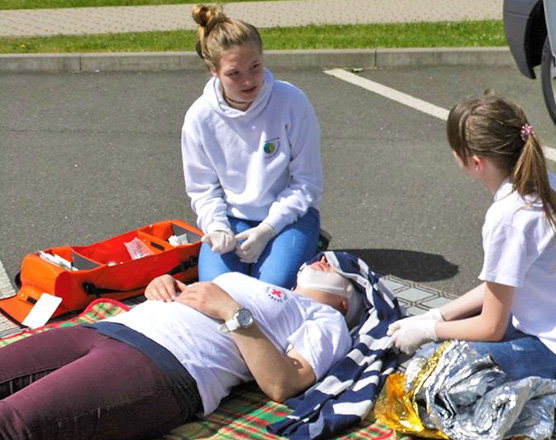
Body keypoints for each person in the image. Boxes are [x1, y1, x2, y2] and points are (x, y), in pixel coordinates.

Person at [388, 92, 556, 394]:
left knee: (428, 369)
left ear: (475, 162)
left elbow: (491, 327)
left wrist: (429, 331)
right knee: (456, 335)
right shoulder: (545, 181)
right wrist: (439, 315)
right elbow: (502, 283)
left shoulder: (508, 216)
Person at [0, 255, 356, 440]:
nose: (326, 260)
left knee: (12, 424)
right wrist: (166, 286)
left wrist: (233, 312)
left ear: (347, 301)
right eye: (326, 257)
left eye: (344, 269)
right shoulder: (258, 284)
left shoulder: (327, 319)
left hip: (164, 363)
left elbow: (284, 384)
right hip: (111, 328)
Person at [182, 4, 323, 289]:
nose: (248, 80)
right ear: (214, 71)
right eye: (234, 73)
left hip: (288, 218)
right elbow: (202, 188)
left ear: (263, 58)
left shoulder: (291, 101)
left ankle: (306, 239)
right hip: (232, 219)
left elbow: (307, 181)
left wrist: (268, 229)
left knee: (271, 288)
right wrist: (217, 227)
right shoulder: (200, 117)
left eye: (255, 67)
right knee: (218, 292)